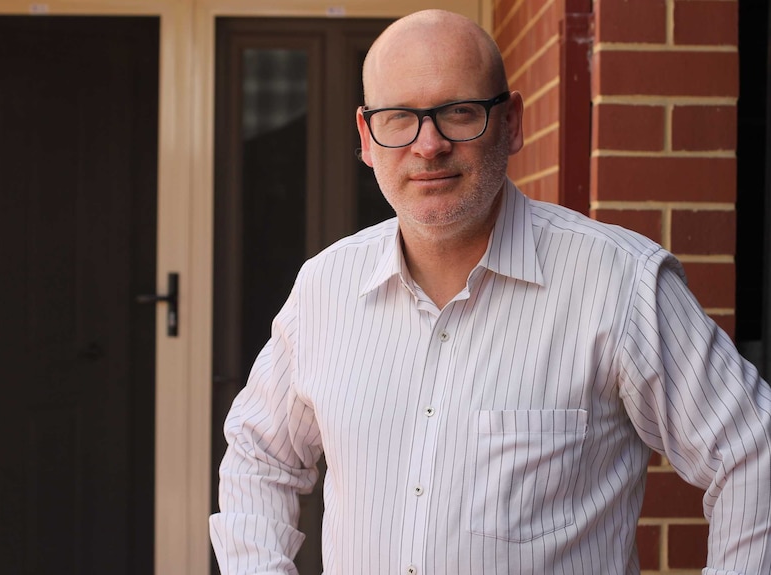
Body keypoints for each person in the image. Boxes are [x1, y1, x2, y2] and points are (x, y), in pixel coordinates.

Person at [209, 9, 771, 574]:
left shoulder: (620, 282)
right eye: (400, 117)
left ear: (512, 122)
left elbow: (753, 451)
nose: (428, 145)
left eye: (458, 112)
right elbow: (260, 457)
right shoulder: (324, 289)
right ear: (367, 137)